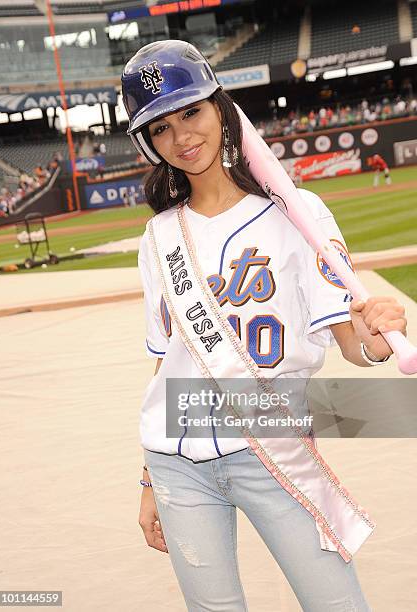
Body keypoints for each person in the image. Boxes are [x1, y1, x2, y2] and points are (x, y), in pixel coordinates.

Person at [121, 40, 407, 611]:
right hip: (179, 465)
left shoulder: (297, 214)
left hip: (272, 448)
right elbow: (166, 363)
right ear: (149, 142)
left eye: (190, 113)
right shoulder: (160, 238)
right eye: (159, 129)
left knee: (337, 605)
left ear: (220, 109)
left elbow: (349, 341)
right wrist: (150, 477)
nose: (181, 138)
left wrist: (374, 343)